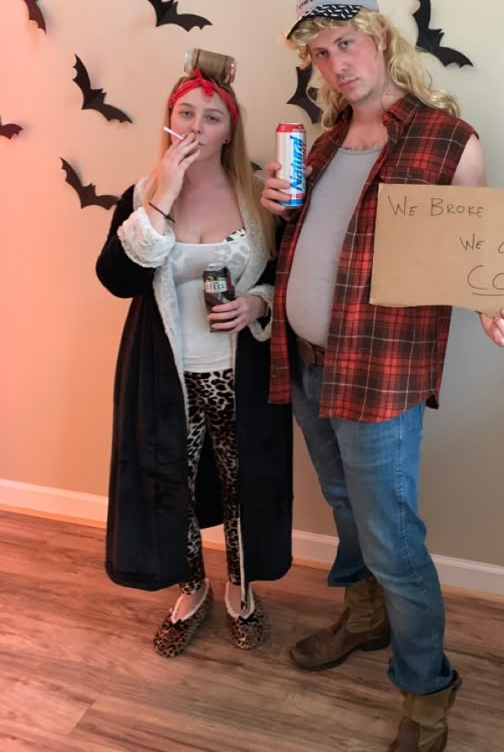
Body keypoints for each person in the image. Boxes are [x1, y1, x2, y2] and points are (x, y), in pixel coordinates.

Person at [261, 0, 504, 752]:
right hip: (309, 359)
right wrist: (279, 215)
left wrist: (493, 302)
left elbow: (474, 254)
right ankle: (366, 615)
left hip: (381, 373)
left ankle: (426, 690)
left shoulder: (452, 141)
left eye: (345, 42)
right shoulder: (318, 146)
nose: (335, 64)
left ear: (380, 37)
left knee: (392, 538)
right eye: (320, 52)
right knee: (347, 506)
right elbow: (315, 250)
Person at [96, 48, 293, 658]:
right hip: (163, 373)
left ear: (231, 129)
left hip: (241, 372)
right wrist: (162, 195)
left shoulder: (263, 194)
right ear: (168, 119)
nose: (196, 128)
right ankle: (191, 588)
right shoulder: (141, 195)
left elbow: (285, 279)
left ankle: (240, 589)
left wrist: (258, 304)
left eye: (211, 117)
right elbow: (116, 278)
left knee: (243, 484)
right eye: (186, 114)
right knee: (170, 480)